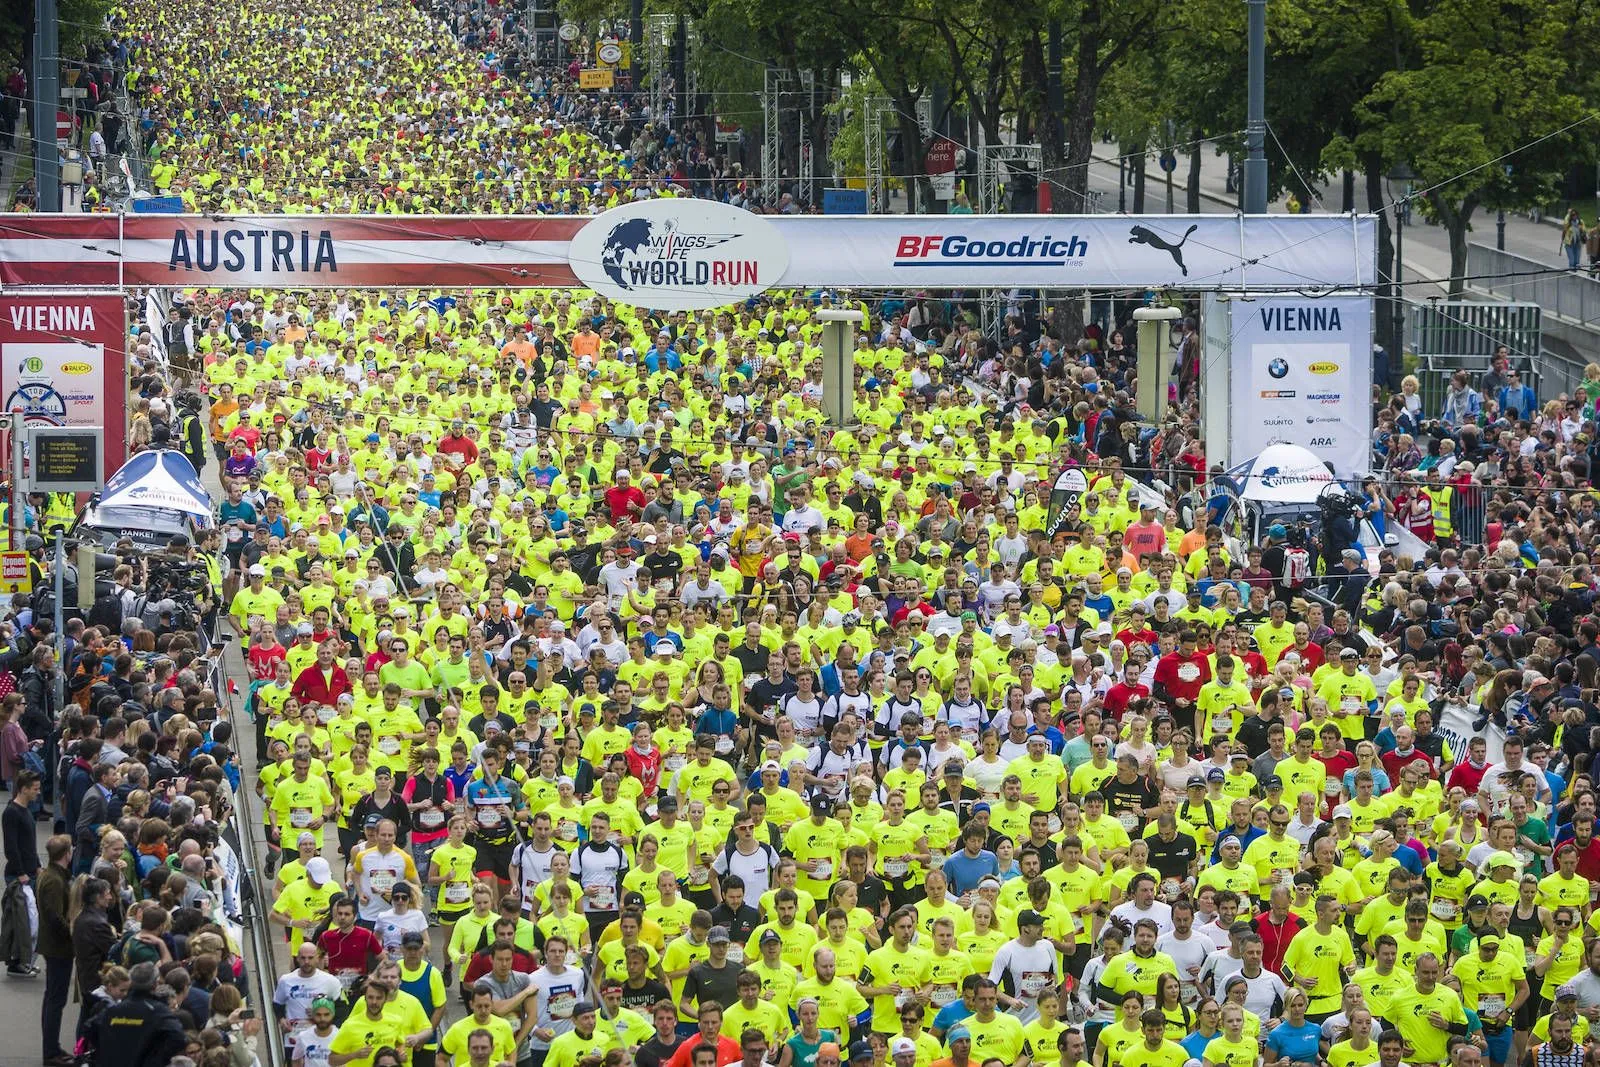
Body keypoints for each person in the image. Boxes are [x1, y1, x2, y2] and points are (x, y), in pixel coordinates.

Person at [80, 960, 187, 1067]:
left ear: (132, 983)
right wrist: (155, 1059)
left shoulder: (115, 1009)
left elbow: (89, 1028)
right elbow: (179, 1037)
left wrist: (106, 1054)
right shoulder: (157, 1011)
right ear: (154, 984)